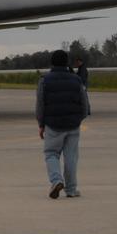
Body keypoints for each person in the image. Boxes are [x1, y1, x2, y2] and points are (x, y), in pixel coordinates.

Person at [36, 49, 90, 199]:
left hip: (53, 124)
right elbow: (84, 103)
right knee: (71, 157)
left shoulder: (44, 80)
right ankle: (71, 189)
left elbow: (40, 105)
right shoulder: (76, 79)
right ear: (67, 63)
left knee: (51, 153)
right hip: (73, 125)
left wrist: (41, 124)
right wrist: (80, 118)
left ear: (52, 62)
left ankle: (56, 180)